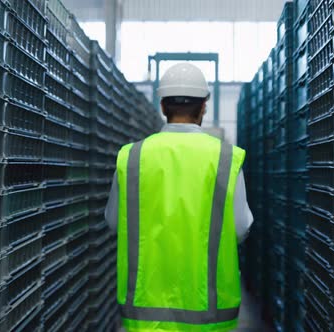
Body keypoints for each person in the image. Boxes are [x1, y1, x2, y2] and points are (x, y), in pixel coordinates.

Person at [105, 62, 253, 331]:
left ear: (162, 106)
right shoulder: (225, 158)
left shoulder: (133, 157)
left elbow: (115, 222)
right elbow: (241, 228)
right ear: (204, 107)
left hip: (146, 313)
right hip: (208, 312)